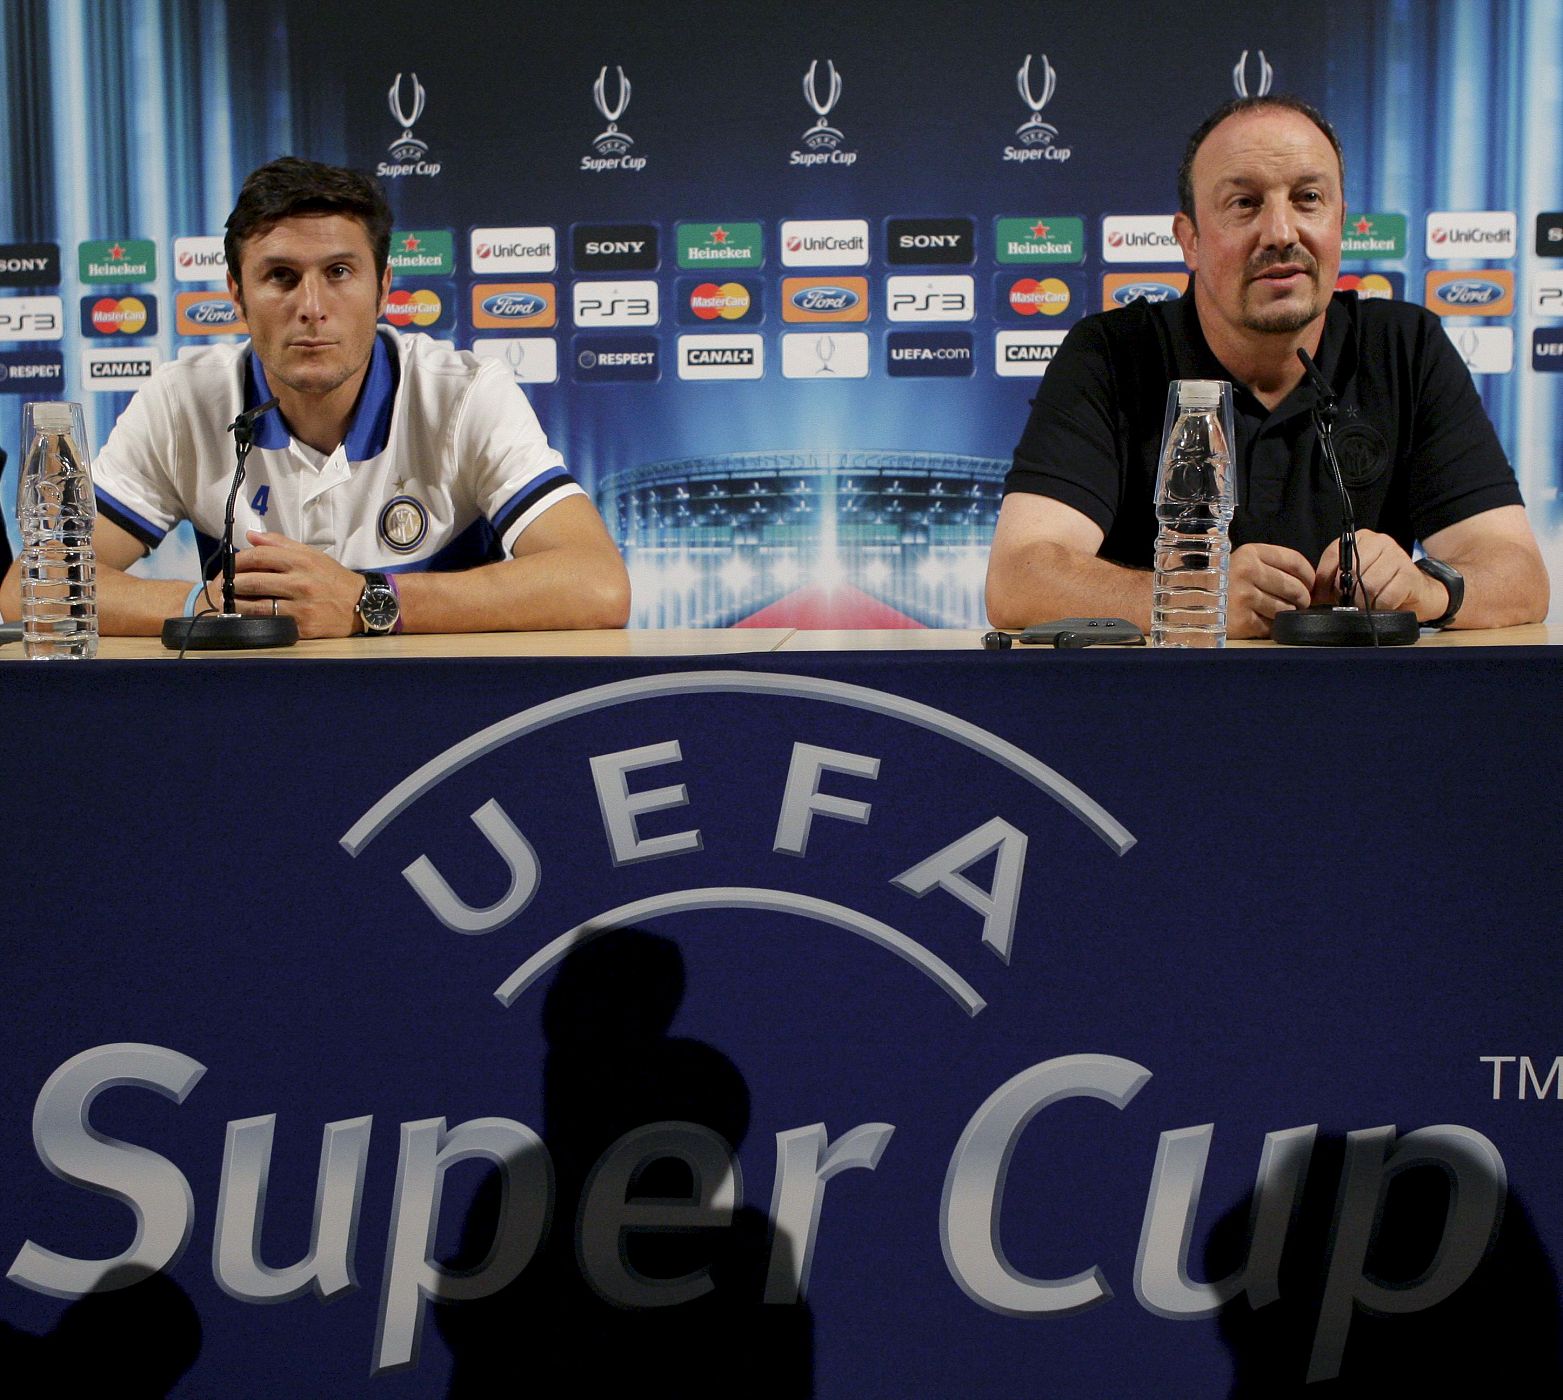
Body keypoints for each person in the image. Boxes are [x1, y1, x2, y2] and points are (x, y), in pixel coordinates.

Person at [986, 96, 1549, 637]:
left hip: (1361, 710)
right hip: (1156, 711)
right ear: (1190, 240)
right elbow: (1017, 581)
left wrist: (1425, 591)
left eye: (1308, 198)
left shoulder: (1406, 344)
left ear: (1341, 222)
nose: (1281, 233)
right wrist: (1194, 599)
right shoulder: (1108, 354)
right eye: (1244, 204)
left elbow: (1519, 575)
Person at [0, 157, 629, 637]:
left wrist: (364, 602)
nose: (311, 308)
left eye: (339, 273)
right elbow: (31, 586)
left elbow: (598, 586)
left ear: (384, 289)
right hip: (257, 729)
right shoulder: (183, 399)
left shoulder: (463, 395)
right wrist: (209, 606)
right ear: (237, 295)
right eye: (280, 276)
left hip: (444, 725)